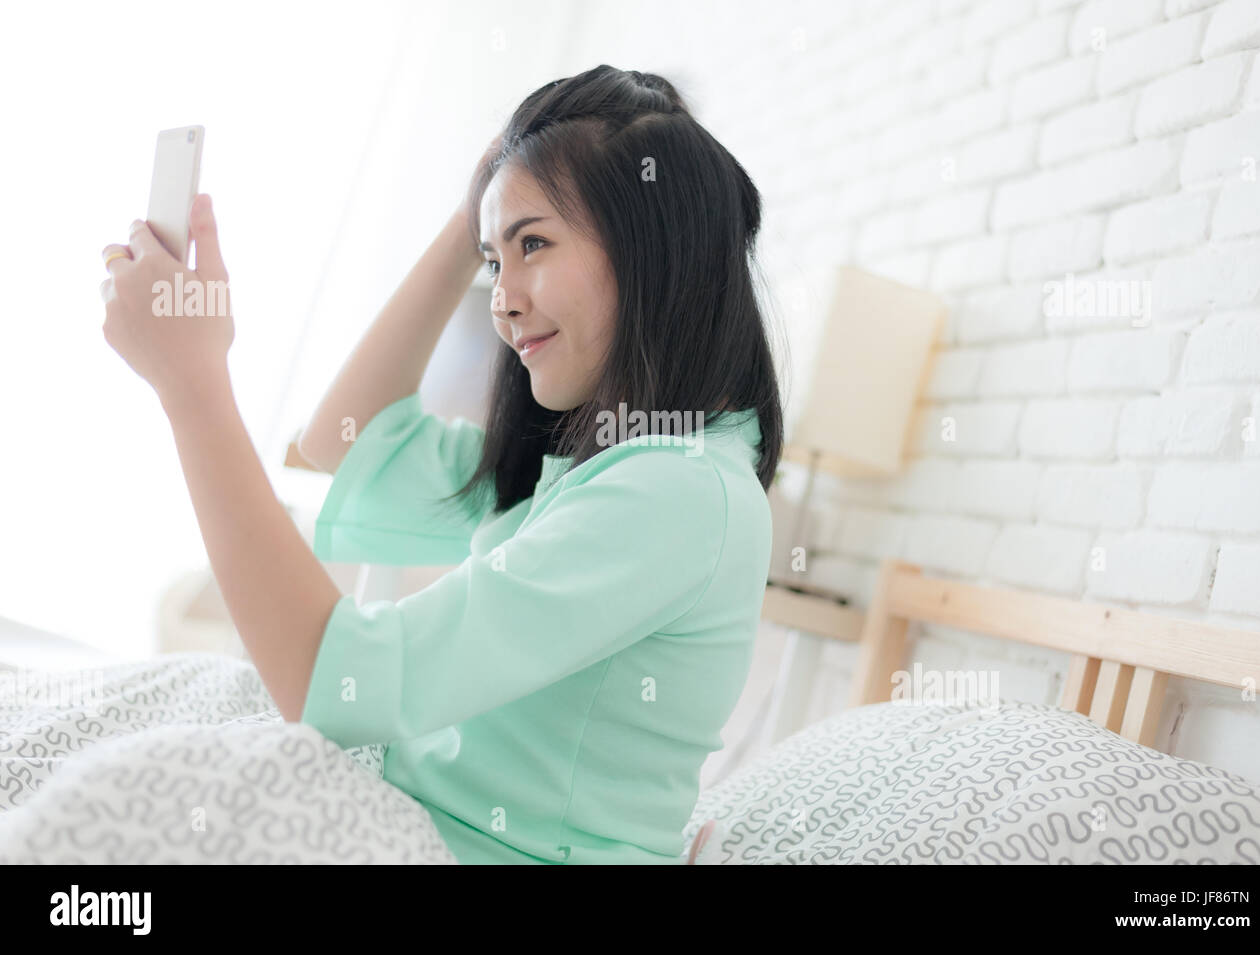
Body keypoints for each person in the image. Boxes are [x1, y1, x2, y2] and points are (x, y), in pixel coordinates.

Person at [102, 64, 784, 865]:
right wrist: (480, 208)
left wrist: (192, 383)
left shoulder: (680, 493)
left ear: (652, 247)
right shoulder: (594, 462)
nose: (501, 297)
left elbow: (339, 682)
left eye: (532, 243)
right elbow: (347, 438)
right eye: (493, 260)